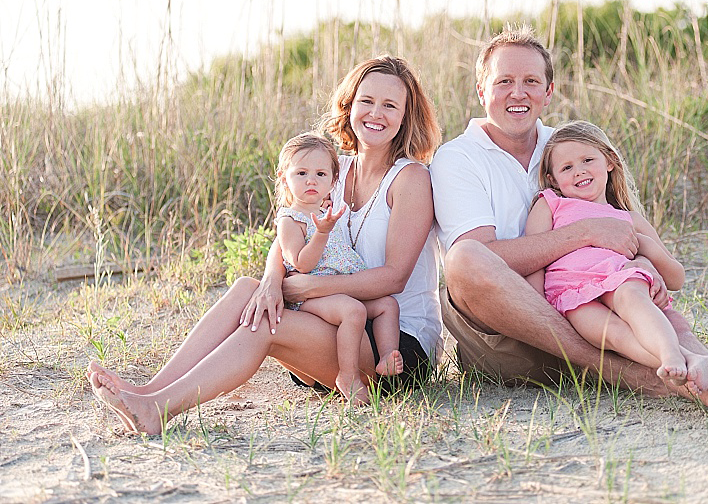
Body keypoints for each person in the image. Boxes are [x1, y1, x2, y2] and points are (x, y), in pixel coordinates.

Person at [430, 24, 708, 427]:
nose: (518, 93)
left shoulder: (567, 147)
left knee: (635, 295)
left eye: (531, 81)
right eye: (504, 81)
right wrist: (584, 233)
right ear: (481, 90)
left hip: (595, 306)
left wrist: (643, 261)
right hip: (509, 338)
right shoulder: (458, 158)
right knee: (464, 259)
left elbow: (620, 229)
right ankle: (618, 372)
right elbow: (483, 264)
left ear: (548, 92)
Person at [88, 55, 443, 433]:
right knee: (248, 290)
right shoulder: (330, 170)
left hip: (396, 346)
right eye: (366, 101)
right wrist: (273, 280)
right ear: (350, 105)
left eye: (391, 105)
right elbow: (289, 231)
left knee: (266, 326)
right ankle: (148, 391)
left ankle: (159, 410)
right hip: (335, 322)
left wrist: (309, 286)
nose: (376, 113)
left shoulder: (411, 180)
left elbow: (394, 279)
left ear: (406, 116)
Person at [526, 120, 708, 390]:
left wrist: (644, 248)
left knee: (632, 298)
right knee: (614, 336)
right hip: (572, 296)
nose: (579, 171)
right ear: (552, 179)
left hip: (619, 281)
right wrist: (539, 308)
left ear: (609, 161)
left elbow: (676, 278)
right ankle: (689, 361)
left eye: (587, 160)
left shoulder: (629, 219)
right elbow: (536, 256)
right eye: (567, 167)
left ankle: (672, 355)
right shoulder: (550, 204)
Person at [272, 132, 403, 403]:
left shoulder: (325, 211)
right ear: (285, 178)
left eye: (321, 174)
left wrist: (324, 221)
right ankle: (348, 375)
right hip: (310, 297)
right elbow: (301, 263)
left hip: (338, 287)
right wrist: (321, 233)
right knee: (353, 311)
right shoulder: (289, 220)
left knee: (387, 305)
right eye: (301, 173)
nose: (311, 180)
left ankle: (388, 357)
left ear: (333, 181)